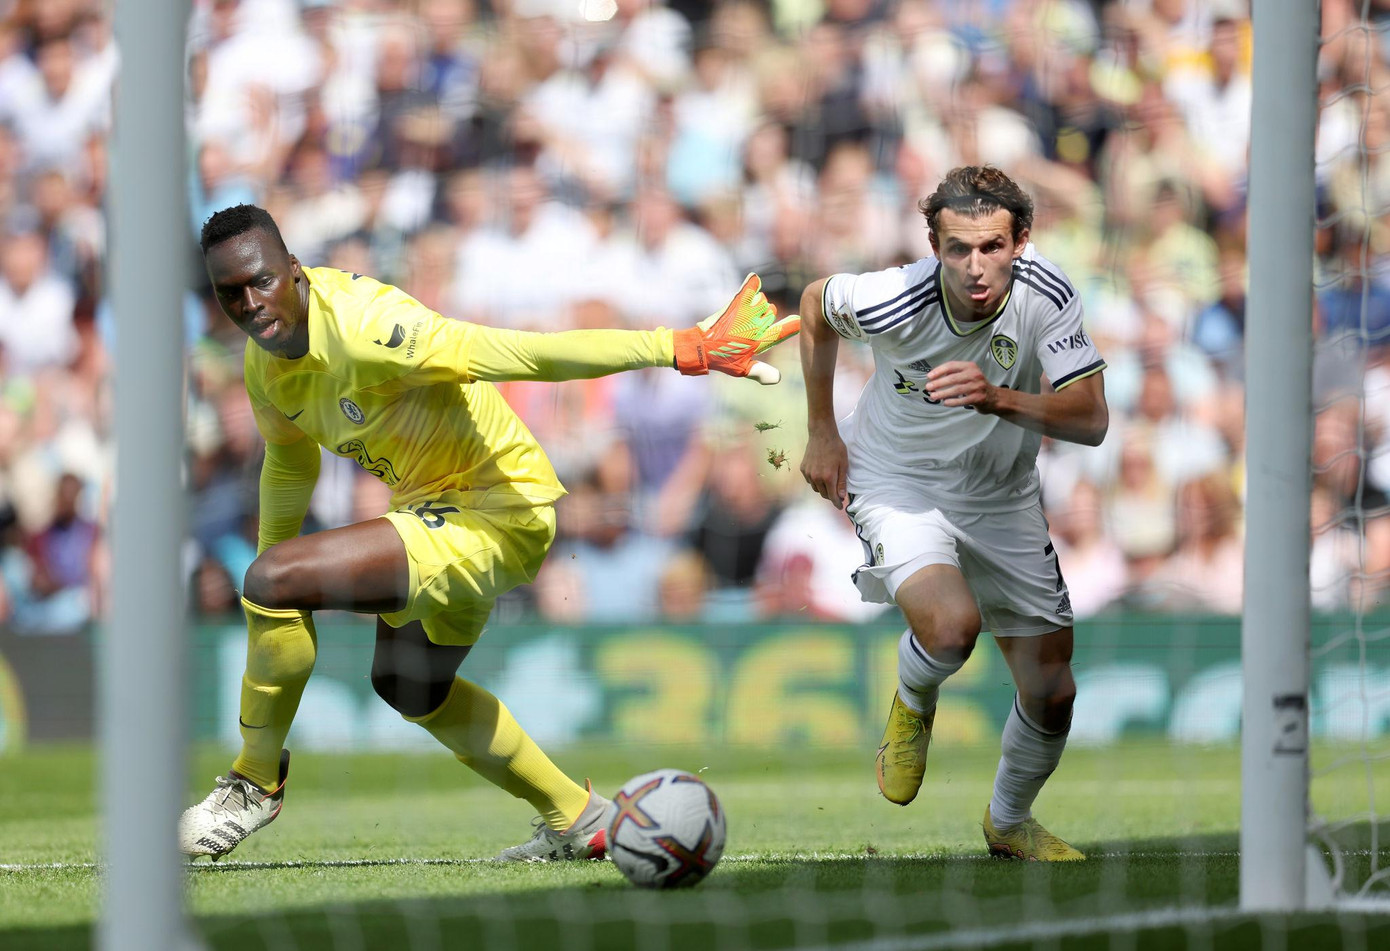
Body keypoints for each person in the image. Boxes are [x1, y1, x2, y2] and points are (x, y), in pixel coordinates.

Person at [178, 203, 797, 862]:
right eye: (230, 293)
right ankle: (579, 816)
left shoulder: (370, 327)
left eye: (261, 281)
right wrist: (274, 553)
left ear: (294, 272)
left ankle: (253, 783)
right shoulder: (265, 364)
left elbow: (516, 351)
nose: (249, 303)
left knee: (274, 583)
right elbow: (291, 457)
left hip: (499, 509)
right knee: (410, 686)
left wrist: (676, 346)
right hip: (433, 515)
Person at [797, 166, 1108, 861]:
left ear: (1021, 240)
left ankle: (1009, 820)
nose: (975, 266)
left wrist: (999, 397)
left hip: (1001, 493)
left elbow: (1091, 419)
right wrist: (822, 429)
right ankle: (913, 698)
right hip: (897, 481)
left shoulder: (1048, 296)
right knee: (951, 627)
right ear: (933, 243)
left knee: (1052, 691)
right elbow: (816, 304)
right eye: (957, 248)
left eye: (992, 247)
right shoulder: (894, 299)